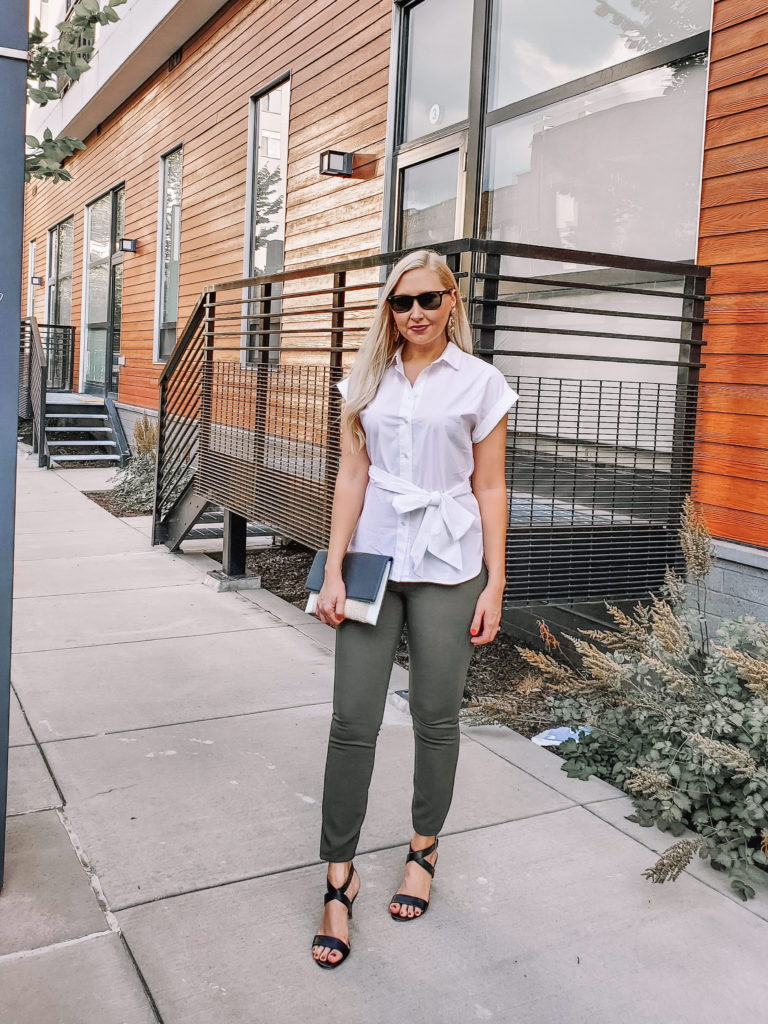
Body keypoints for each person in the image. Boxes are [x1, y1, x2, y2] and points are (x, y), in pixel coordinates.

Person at [310, 248, 518, 968]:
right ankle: (339, 879)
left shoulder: (482, 383)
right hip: (374, 560)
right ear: (388, 310)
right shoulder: (365, 380)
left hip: (451, 563)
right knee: (351, 720)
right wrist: (331, 569)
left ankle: (423, 851)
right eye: (403, 303)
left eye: (429, 299)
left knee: (436, 716)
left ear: (452, 302)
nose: (416, 313)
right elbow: (353, 474)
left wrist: (494, 582)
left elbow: (490, 487)